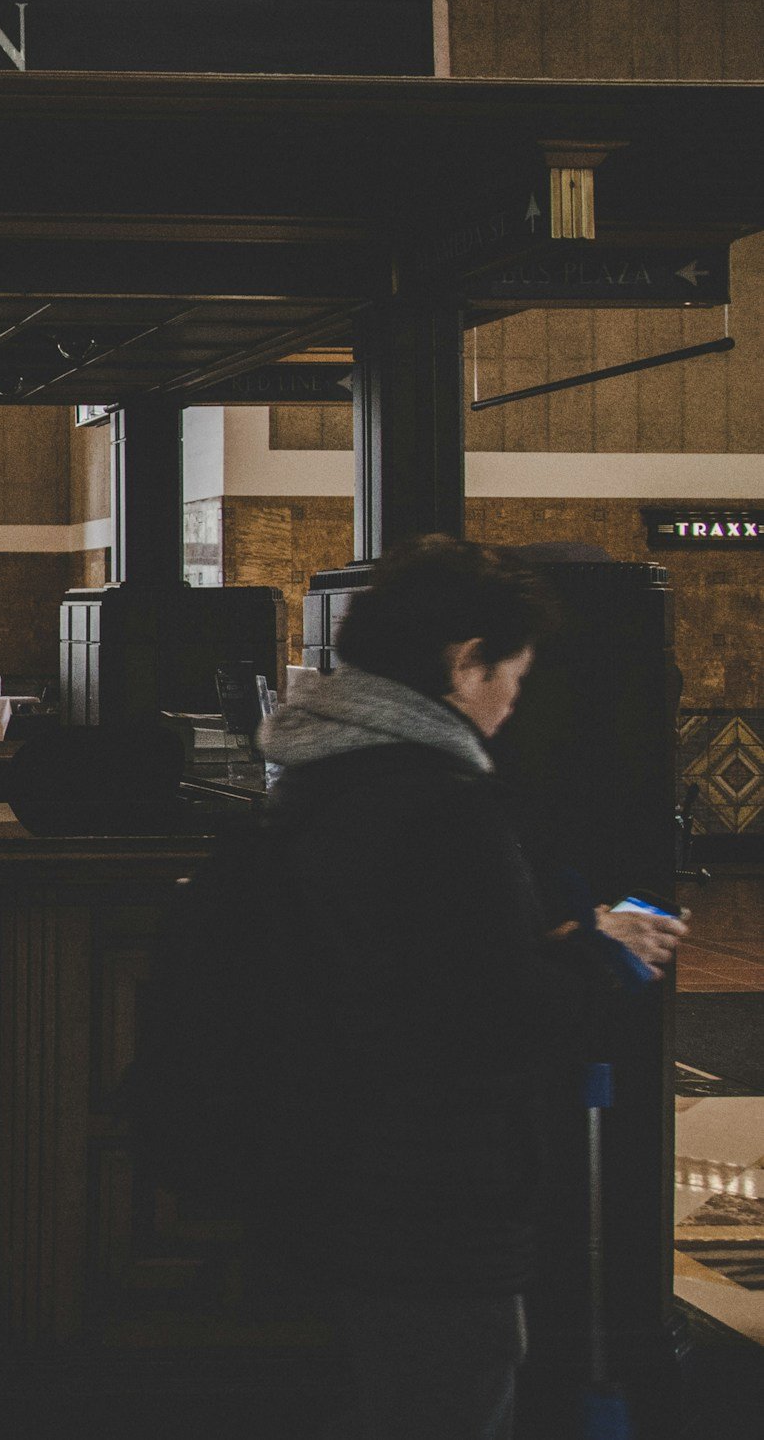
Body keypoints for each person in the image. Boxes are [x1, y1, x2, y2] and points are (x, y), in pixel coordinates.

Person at [234, 536, 684, 1440]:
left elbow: (407, 966)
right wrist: (601, 954)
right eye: (509, 675)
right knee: (446, 1398)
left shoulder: (318, 779)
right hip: (431, 1198)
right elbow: (497, 1020)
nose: (512, 703)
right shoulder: (440, 804)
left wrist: (542, 942)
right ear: (463, 661)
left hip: (331, 1174)